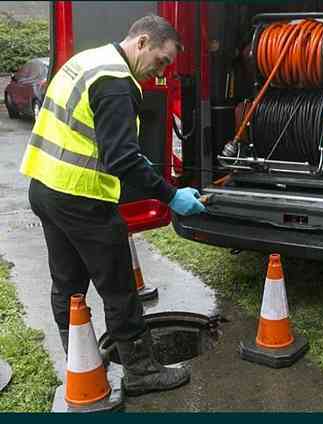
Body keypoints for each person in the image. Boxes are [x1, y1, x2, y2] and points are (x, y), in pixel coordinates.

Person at [19, 15, 203, 396]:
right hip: (82, 199)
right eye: (161, 60)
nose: (160, 72)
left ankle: (81, 358)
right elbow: (121, 159)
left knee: (68, 281)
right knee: (119, 285)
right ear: (142, 42)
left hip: (46, 187)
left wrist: (133, 162)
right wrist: (170, 195)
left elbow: (92, 136)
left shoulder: (89, 61)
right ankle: (141, 371)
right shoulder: (118, 84)